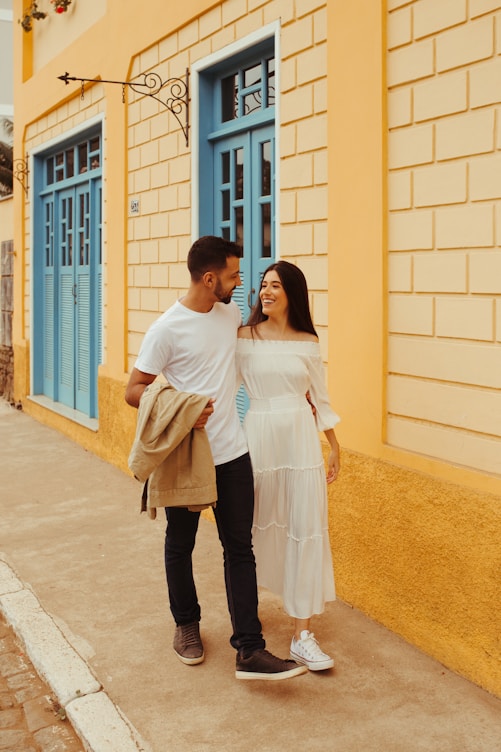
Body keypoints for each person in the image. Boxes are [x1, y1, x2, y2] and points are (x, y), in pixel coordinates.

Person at [125, 236, 307, 681]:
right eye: (233, 275)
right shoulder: (166, 329)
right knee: (180, 543)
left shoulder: (229, 316)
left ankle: (250, 649)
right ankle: (186, 625)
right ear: (210, 279)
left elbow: (269, 344)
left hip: (234, 452)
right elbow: (134, 390)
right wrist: (182, 406)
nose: (240, 282)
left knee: (239, 549)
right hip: (189, 455)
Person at [236, 260, 340, 671]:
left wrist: (333, 445)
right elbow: (224, 393)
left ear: (292, 293)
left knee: (304, 527)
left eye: (276, 285)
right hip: (257, 437)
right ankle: (248, 630)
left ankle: (302, 634)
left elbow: (322, 398)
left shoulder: (307, 341)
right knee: (247, 532)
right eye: (263, 285)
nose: (267, 291)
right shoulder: (244, 337)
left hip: (300, 442)